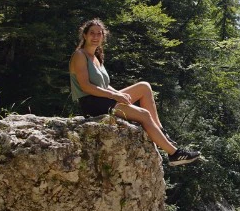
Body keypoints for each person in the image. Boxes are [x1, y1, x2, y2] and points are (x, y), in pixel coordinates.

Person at [69, 18, 200, 166]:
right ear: (85, 35)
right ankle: (174, 154)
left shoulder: (96, 57)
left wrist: (119, 94)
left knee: (144, 87)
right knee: (144, 114)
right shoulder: (80, 55)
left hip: (103, 99)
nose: (95, 37)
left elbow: (104, 85)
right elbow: (86, 86)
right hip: (92, 103)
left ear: (103, 37)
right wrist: (114, 95)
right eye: (92, 33)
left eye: (99, 34)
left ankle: (161, 132)